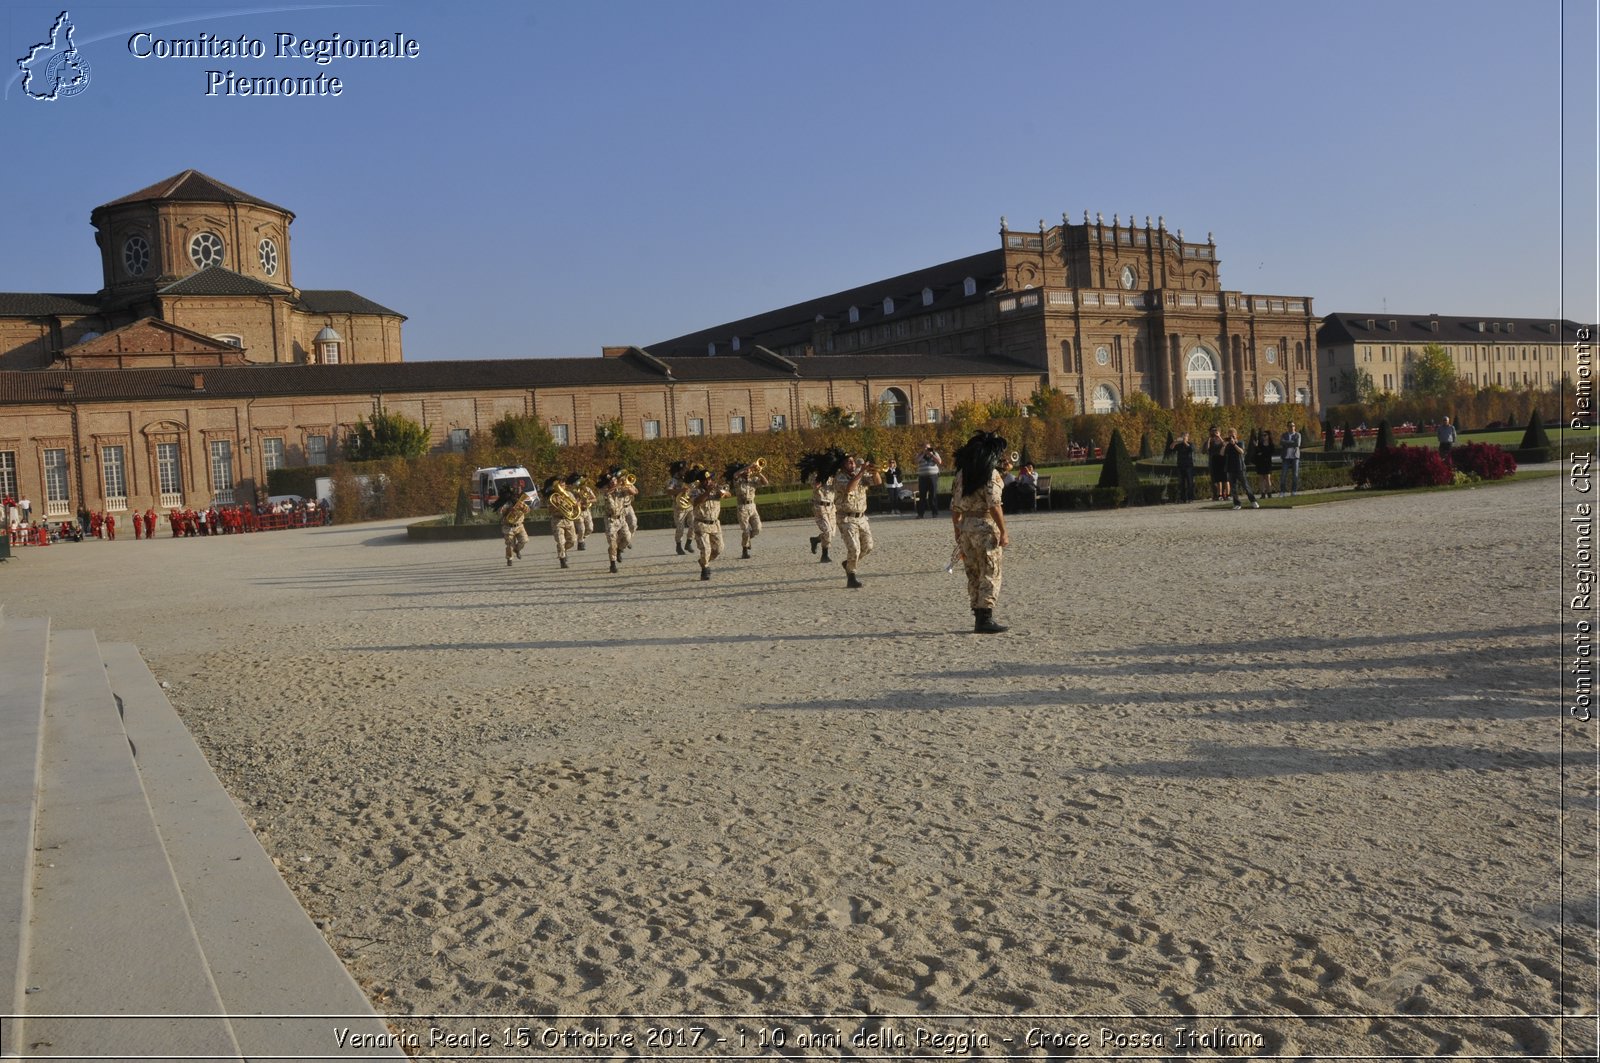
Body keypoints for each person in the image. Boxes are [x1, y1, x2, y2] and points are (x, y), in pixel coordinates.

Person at [950, 430, 1011, 634]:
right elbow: (994, 505)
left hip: (966, 526)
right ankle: (985, 617)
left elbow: (955, 506)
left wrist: (957, 530)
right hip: (984, 526)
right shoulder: (989, 474)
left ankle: (978, 614)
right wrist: (1003, 531)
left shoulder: (962, 474)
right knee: (991, 571)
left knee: (973, 572)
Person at [833, 453, 881, 588]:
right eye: (849, 462)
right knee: (854, 549)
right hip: (846, 518)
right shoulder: (839, 478)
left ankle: (848, 564)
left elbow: (877, 482)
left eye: (853, 462)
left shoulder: (860, 475)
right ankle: (851, 577)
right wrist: (861, 471)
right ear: (842, 465)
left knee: (868, 547)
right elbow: (850, 488)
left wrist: (874, 471)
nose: (852, 464)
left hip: (862, 517)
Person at [799, 448, 842, 564]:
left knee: (831, 534)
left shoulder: (834, 476)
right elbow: (816, 485)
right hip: (820, 506)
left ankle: (816, 540)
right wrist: (824, 474)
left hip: (831, 507)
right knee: (827, 531)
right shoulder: (816, 474)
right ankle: (824, 555)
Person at [687, 466, 727, 581]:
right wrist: (708, 491)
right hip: (701, 524)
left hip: (715, 524)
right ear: (701, 482)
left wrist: (720, 491)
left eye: (710, 479)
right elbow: (696, 501)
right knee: (706, 549)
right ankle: (705, 569)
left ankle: (703, 561)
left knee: (719, 549)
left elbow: (727, 494)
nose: (709, 481)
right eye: (706, 480)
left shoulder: (716, 488)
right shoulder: (695, 491)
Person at [596, 469, 637, 573]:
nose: (614, 482)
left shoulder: (621, 490)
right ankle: (612, 564)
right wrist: (618, 485)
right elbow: (608, 493)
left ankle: (619, 551)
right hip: (611, 521)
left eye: (614, 480)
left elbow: (635, 492)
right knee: (612, 544)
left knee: (627, 538)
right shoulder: (604, 491)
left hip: (622, 518)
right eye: (612, 481)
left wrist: (626, 484)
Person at [726, 460, 768, 559]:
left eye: (750, 470)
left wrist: (759, 473)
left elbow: (766, 483)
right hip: (742, 507)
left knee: (757, 529)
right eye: (747, 470)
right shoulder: (738, 481)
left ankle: (747, 541)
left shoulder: (753, 480)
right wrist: (748, 466)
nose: (749, 471)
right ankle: (744, 550)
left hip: (752, 506)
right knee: (745, 531)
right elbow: (735, 475)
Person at [540, 475, 580, 568]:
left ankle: (564, 551)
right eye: (560, 485)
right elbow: (549, 510)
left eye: (563, 485)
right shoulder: (553, 496)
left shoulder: (569, 494)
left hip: (568, 520)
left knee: (572, 541)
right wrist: (557, 506)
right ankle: (562, 559)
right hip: (557, 521)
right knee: (561, 542)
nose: (562, 487)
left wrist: (576, 505)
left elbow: (574, 507)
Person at [1222, 429, 1258, 509]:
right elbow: (1221, 454)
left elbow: (1241, 451)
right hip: (1230, 468)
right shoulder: (1227, 445)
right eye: (1229, 435)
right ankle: (1237, 504)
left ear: (1236, 435)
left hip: (1240, 467)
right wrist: (1224, 445)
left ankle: (1253, 501)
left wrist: (1234, 444)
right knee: (1233, 487)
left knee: (1245, 485)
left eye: (1232, 435)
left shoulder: (1240, 442)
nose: (1231, 437)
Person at [666, 460, 693, 556]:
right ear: (679, 470)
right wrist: (681, 490)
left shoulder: (688, 478)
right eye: (684, 469)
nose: (686, 471)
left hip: (689, 504)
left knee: (694, 524)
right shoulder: (673, 480)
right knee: (680, 527)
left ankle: (688, 543)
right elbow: (669, 491)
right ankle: (678, 546)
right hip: (679, 506)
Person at [500, 486, 533, 566]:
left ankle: (517, 549)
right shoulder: (506, 503)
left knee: (524, 540)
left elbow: (528, 510)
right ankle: (509, 559)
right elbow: (500, 512)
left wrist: (523, 507)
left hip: (519, 526)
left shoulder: (521, 502)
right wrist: (509, 510)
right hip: (508, 526)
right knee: (509, 544)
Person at [565, 472, 594, 551]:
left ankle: (582, 538)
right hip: (578, 511)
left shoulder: (586, 489)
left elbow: (595, 498)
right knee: (581, 529)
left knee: (590, 528)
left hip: (586, 510)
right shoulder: (571, 491)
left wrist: (588, 500)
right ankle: (580, 542)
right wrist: (578, 502)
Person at [914, 442, 943, 518]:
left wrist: (931, 454)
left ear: (930, 448)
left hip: (933, 476)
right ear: (922, 448)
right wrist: (923, 454)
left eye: (928, 448)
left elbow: (939, 462)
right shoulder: (919, 454)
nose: (926, 449)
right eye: (925, 448)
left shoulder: (934, 453)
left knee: (933, 495)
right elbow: (916, 461)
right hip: (922, 477)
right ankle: (920, 514)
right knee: (922, 495)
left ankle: (935, 512)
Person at [1166, 432, 1197, 502]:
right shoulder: (1179, 445)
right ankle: (1183, 498)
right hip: (1180, 465)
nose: (1184, 438)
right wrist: (1175, 442)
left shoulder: (1190, 444)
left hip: (1188, 466)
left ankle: (1190, 498)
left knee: (1190, 482)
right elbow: (1171, 448)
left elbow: (1191, 449)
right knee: (1181, 483)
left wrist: (1185, 442)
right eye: (1183, 436)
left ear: (1187, 437)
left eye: (1185, 436)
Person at [1280, 422, 1303, 496]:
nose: (1292, 427)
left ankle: (1293, 491)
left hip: (1295, 457)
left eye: (1293, 425)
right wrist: (1292, 443)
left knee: (1295, 475)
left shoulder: (1298, 435)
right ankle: (1282, 492)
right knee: (1283, 475)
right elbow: (1281, 442)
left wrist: (1286, 443)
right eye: (1290, 426)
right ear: (1288, 427)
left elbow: (1297, 444)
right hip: (1286, 457)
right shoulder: (1284, 435)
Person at [1205, 428, 1227, 502]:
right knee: (1216, 479)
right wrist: (1209, 439)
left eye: (1217, 432)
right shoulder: (1212, 441)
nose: (1215, 434)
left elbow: (1224, 444)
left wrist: (1219, 437)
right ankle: (1217, 494)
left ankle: (1225, 494)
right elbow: (1207, 449)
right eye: (1214, 432)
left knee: (1224, 479)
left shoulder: (1221, 440)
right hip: (1214, 460)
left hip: (1222, 460)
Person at [1255, 429, 1276, 498]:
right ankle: (1263, 494)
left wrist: (1262, 453)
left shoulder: (1271, 444)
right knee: (1261, 478)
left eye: (1265, 435)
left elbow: (1270, 453)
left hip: (1267, 463)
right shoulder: (1260, 444)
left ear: (1268, 436)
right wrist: (1256, 446)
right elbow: (1257, 453)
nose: (1263, 437)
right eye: (1262, 435)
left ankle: (1269, 493)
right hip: (1260, 463)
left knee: (1267, 478)